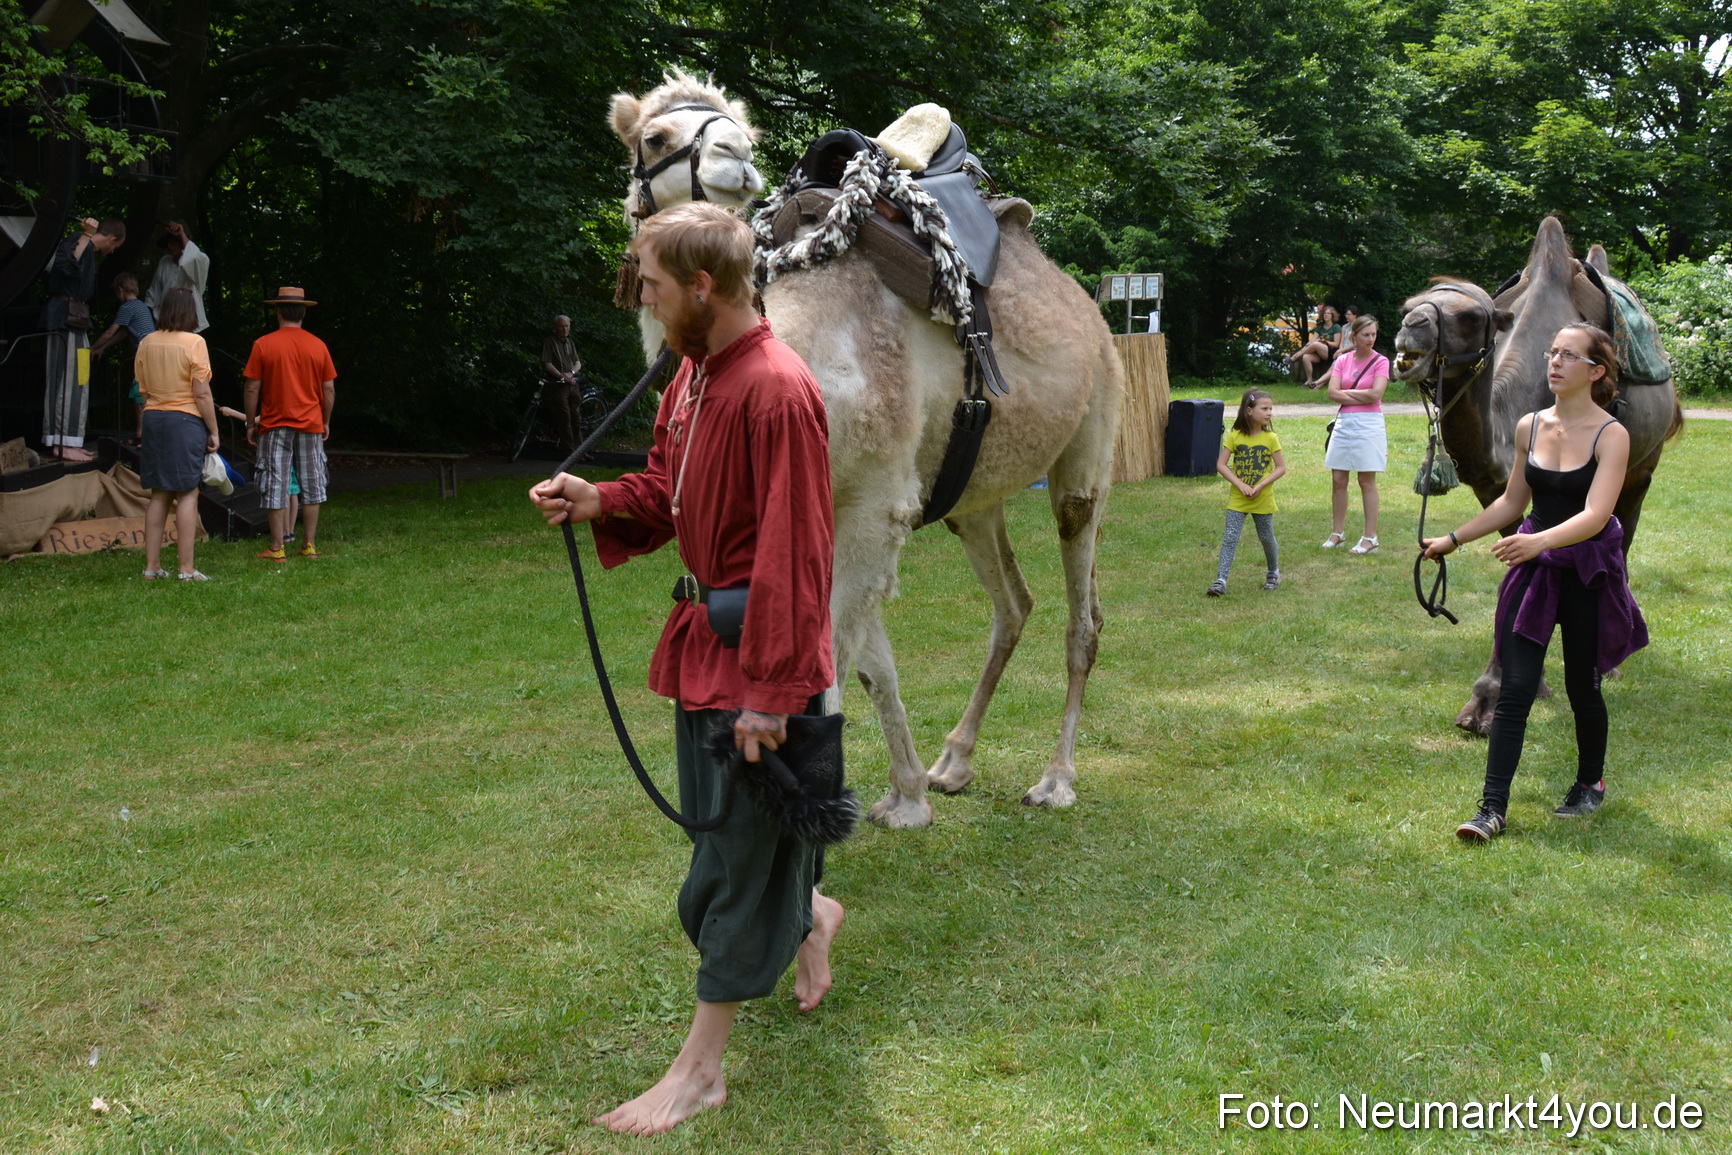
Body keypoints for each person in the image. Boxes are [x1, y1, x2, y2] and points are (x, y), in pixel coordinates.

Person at [528, 202, 843, 1136]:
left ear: (704, 287)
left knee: (734, 862)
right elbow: (671, 487)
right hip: (707, 647)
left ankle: (700, 1070)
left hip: (762, 659)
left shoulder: (776, 390)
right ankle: (811, 912)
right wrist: (598, 498)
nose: (646, 300)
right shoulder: (695, 378)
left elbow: (798, 554)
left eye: (655, 286)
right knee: (734, 844)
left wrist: (771, 694)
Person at [1424, 324, 1645, 842]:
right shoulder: (1531, 425)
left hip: (1587, 571)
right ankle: (1491, 809)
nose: (1555, 362)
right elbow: (1512, 502)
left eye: (1569, 355)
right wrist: (1453, 538)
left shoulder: (1611, 434)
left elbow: (1596, 515)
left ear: (1596, 371)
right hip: (1536, 573)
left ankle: (1589, 783)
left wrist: (1537, 543)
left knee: (1582, 686)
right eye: (1553, 352)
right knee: (1516, 687)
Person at [243, 287, 336, 561]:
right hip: (311, 423)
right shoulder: (318, 345)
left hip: (274, 425)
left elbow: (252, 387)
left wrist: (250, 422)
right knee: (313, 482)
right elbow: (329, 389)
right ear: (303, 312)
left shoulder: (263, 344)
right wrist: (325, 420)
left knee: (275, 482)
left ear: (279, 311)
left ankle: (277, 547)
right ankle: (309, 545)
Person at [134, 288, 218, 581]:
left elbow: (143, 392)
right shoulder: (195, 342)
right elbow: (202, 393)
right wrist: (213, 430)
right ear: (190, 311)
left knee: (159, 494)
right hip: (185, 421)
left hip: (153, 418)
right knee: (187, 493)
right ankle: (186, 569)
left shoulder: (146, 342)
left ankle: (152, 567)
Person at [40, 217, 126, 461]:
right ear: (111, 238)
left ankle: (68, 441)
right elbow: (65, 267)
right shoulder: (78, 241)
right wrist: (87, 234)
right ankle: (62, 443)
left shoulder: (87, 250)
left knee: (78, 378)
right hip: (65, 319)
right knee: (67, 381)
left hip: (76, 321)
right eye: (115, 246)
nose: (112, 251)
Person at [1208, 388, 1286, 596]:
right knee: (1230, 537)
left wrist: (1260, 486)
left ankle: (1273, 572)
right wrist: (1239, 484)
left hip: (1262, 498)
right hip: (1238, 498)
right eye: (1264, 409)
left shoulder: (1271, 438)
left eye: (1270, 409)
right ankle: (1220, 580)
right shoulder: (1235, 436)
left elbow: (1281, 468)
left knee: (1266, 537)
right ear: (1249, 411)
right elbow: (1221, 465)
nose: (1269, 413)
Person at [1321, 314, 1389, 553]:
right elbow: (1332, 393)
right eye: (1366, 335)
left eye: (1373, 334)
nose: (1370, 339)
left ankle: (1370, 537)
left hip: (1369, 424)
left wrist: (1347, 393)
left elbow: (1376, 394)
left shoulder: (1381, 361)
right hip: (1344, 423)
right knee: (1338, 479)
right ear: (1354, 336)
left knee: (1366, 481)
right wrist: (1363, 394)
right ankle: (1337, 533)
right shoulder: (1343, 360)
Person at [90, 272, 157, 441]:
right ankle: (142, 432)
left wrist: (91, 348)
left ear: (120, 290)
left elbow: (110, 332)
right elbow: (123, 333)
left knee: (140, 393)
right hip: (153, 353)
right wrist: (102, 348)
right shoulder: (141, 306)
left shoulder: (127, 307)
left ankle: (144, 434)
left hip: (145, 354)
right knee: (142, 391)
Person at [144, 220, 211, 333]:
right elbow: (154, 290)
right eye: (168, 242)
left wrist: (181, 234)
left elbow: (195, 257)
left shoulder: (199, 261)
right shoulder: (164, 261)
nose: (170, 246)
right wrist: (148, 312)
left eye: (174, 242)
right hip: (165, 323)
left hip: (190, 324)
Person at [540, 314, 585, 450]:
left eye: (567, 326)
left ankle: (580, 449)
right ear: (555, 327)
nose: (565, 329)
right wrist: (561, 376)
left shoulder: (570, 343)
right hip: (558, 386)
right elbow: (547, 364)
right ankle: (570, 450)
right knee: (565, 418)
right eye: (561, 326)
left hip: (572, 384)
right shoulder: (549, 342)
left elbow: (577, 363)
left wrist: (571, 373)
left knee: (576, 418)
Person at [1289, 304, 1341, 388]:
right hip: (1319, 352)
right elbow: (1312, 341)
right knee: (1306, 357)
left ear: (1332, 315)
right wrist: (1305, 347)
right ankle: (1309, 381)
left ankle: (1296, 357)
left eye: (1328, 313)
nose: (1326, 315)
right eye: (1324, 313)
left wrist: (1325, 342)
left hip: (1331, 352)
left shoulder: (1336, 327)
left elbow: (1336, 344)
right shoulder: (1320, 327)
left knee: (1316, 344)